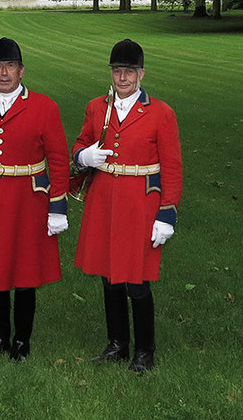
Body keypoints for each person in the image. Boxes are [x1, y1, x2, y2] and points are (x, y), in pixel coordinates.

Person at [0, 37, 70, 361]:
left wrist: (57, 206)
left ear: (21, 70)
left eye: (10, 66)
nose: (3, 73)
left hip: (27, 199)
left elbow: (59, 158)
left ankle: (22, 341)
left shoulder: (44, 106)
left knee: (25, 270)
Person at [72, 38, 182, 373]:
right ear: (111, 72)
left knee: (137, 280)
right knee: (109, 276)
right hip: (104, 199)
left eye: (130, 72)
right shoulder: (96, 107)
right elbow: (79, 143)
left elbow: (173, 167)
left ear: (141, 74)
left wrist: (167, 214)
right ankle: (118, 344)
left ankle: (145, 351)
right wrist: (83, 156)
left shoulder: (161, 112)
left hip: (140, 204)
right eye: (118, 71)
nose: (123, 78)